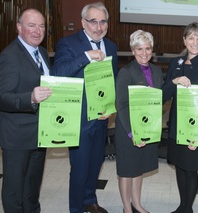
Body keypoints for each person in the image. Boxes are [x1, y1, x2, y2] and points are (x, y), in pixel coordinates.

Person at [51, 2, 118, 213]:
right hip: (79, 119)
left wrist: (111, 106)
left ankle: (90, 200)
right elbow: (59, 72)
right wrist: (86, 56)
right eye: (93, 21)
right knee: (79, 168)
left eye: (103, 21)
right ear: (83, 23)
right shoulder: (69, 43)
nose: (99, 27)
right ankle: (76, 209)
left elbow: (112, 81)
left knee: (96, 163)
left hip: (101, 118)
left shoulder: (112, 47)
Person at [0, 8, 52, 212]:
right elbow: (2, 97)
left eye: (41, 26)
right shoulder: (9, 56)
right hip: (17, 136)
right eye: (31, 25)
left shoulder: (43, 53)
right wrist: (29, 97)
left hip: (39, 132)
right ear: (19, 28)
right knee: (14, 188)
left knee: (32, 185)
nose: (37, 31)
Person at [162, 22, 198, 213]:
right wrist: (174, 81)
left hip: (195, 127)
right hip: (176, 124)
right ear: (184, 39)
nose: (195, 42)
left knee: (191, 168)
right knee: (179, 166)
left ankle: (187, 208)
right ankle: (183, 206)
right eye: (191, 37)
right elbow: (163, 95)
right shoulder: (175, 63)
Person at [115, 30, 163, 213]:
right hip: (128, 129)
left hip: (146, 127)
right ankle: (127, 207)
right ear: (133, 50)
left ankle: (137, 203)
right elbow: (121, 105)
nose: (144, 53)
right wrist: (131, 133)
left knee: (138, 167)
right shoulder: (126, 72)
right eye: (140, 49)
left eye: (148, 48)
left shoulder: (157, 71)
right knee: (127, 170)